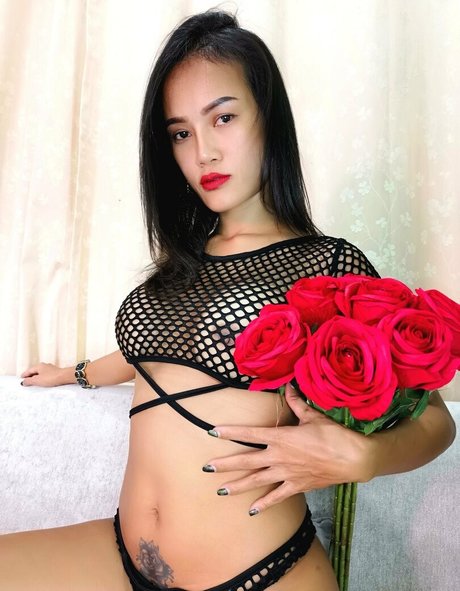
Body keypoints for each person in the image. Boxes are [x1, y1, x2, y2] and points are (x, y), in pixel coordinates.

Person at [9, 9, 455, 591]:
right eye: (181, 133)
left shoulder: (327, 266)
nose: (203, 153)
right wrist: (75, 373)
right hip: (123, 555)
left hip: (259, 572)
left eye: (223, 118)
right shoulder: (182, 263)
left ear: (268, 117)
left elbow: (436, 421)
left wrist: (364, 458)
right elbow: (160, 350)